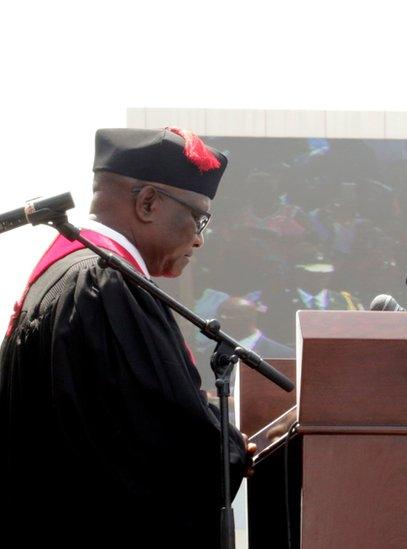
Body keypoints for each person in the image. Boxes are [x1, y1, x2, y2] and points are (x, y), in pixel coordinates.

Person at [0, 128, 251, 547]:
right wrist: (233, 445)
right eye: (198, 217)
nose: (199, 238)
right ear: (148, 202)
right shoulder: (104, 288)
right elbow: (167, 447)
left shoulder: (67, 277)